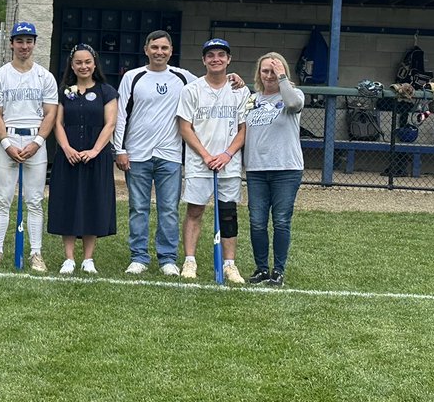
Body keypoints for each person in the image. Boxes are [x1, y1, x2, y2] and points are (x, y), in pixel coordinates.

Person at [112, 30, 196, 276]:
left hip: (170, 155)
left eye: (164, 48)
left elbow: (211, 83)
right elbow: (121, 115)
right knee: (138, 207)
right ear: (146, 49)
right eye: (155, 47)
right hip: (137, 155)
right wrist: (120, 149)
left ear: (171, 51)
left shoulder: (183, 77)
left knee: (169, 208)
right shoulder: (133, 77)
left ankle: (167, 259)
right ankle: (139, 257)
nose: (159, 52)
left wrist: (233, 78)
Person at [177, 38, 250, 283]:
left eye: (221, 55)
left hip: (228, 163)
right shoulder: (192, 90)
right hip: (200, 163)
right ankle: (189, 260)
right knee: (195, 211)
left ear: (229, 59)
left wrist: (226, 154)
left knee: (228, 214)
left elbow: (244, 129)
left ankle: (230, 265)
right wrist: (206, 155)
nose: (216, 59)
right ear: (203, 60)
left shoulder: (240, 90)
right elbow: (185, 127)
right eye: (210, 55)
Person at [0, 22, 58, 272]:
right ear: (12, 43)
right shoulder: (0, 75)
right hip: (8, 139)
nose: (24, 46)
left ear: (34, 43)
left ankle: (36, 253)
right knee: (2, 199)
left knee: (35, 200)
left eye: (29, 41)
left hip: (34, 142)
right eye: (20, 41)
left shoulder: (44, 76)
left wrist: (38, 142)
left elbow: (50, 113)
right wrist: (6, 143)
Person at [48, 44, 118, 274]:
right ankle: (68, 258)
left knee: (92, 202)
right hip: (69, 157)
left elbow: (110, 124)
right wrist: (66, 148)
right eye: (78, 62)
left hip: (96, 157)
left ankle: (88, 259)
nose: (83, 66)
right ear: (72, 65)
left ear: (94, 63)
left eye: (87, 61)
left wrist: (95, 150)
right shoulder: (64, 91)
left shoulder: (106, 91)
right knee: (67, 202)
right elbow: (57, 122)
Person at [244, 51, 304, 286]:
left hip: (286, 168)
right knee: (257, 221)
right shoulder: (252, 99)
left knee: (281, 220)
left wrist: (282, 79)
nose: (269, 76)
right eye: (265, 71)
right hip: (257, 169)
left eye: (274, 71)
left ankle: (278, 270)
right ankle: (261, 268)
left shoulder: (293, 94)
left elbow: (293, 103)